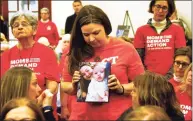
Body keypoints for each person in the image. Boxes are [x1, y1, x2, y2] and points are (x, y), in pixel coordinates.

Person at [60, 5, 144, 120]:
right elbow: (65, 84)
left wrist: (121, 88)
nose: (91, 39)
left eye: (96, 33)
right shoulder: (74, 50)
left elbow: (141, 84)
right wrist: (74, 86)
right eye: (86, 35)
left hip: (118, 116)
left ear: (105, 27)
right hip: (82, 116)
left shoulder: (126, 48)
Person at [0, 11, 59, 119]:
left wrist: (41, 100)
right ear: (12, 31)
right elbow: (4, 85)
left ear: (34, 29)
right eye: (16, 25)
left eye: (24, 24)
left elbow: (52, 84)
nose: (20, 27)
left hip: (40, 108)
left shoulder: (47, 52)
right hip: (15, 111)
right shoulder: (6, 55)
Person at [133, 0, 186, 80]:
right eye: (158, 6)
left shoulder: (178, 30)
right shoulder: (141, 31)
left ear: (169, 10)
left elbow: (181, 57)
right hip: (148, 80)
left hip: (171, 79)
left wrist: (167, 78)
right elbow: (138, 59)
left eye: (164, 8)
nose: (160, 11)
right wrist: (148, 77)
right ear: (152, 7)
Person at [118, 71, 184, 121]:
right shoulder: (129, 114)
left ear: (147, 96)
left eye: (134, 91)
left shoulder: (175, 117)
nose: (131, 93)